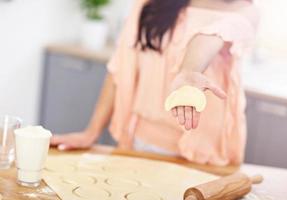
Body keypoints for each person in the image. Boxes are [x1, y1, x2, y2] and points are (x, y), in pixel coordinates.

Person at [51, 0, 259, 166]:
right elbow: (120, 68)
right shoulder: (150, 4)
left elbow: (209, 36)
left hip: (204, 156)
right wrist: (91, 133)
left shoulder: (245, 11)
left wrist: (189, 70)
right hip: (141, 144)